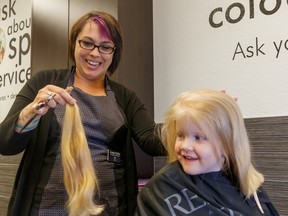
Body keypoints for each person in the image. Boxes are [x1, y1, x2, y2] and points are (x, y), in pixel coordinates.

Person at [0, 11, 166, 216]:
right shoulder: (43, 82)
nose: (95, 53)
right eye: (87, 43)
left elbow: (152, 140)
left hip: (110, 209)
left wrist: (199, 120)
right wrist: (32, 111)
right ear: (74, 44)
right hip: (45, 210)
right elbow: (5, 144)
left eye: (105, 47)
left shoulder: (125, 98)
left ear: (115, 53)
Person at [135, 89, 279, 216]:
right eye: (180, 135)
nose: (185, 145)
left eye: (198, 137)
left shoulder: (249, 188)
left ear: (227, 142)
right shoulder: (163, 187)